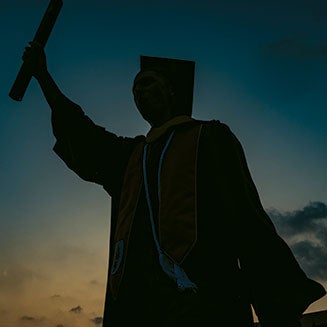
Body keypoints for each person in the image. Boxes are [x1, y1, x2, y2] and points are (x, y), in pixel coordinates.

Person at [22, 42, 325, 327]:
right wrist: (43, 77)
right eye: (135, 88)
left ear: (171, 90)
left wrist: (277, 305)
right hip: (138, 302)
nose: (139, 92)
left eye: (148, 83)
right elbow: (83, 134)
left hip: (201, 298)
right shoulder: (130, 157)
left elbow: (246, 216)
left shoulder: (209, 138)